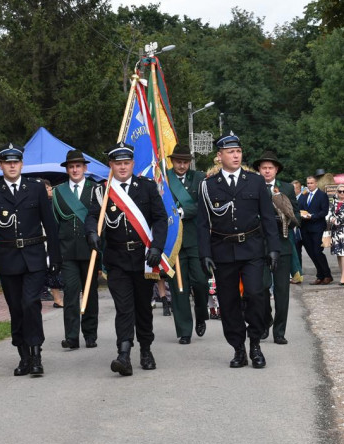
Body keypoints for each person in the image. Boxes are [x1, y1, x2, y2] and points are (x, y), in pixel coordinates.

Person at [197, 131, 281, 369]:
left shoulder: (254, 181)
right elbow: (202, 224)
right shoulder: (208, 185)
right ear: (219, 156)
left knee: (256, 295)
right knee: (229, 301)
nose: (236, 156)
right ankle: (238, 348)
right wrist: (205, 254)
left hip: (252, 248)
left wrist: (273, 248)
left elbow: (267, 218)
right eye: (230, 152)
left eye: (238, 151)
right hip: (222, 250)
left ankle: (255, 343)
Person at [0, 143, 61, 377]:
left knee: (30, 303)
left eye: (16, 162)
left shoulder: (35, 189)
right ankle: (23, 355)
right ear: (1, 165)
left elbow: (50, 225)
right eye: (7, 162)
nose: (12, 166)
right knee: (16, 308)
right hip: (8, 258)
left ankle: (36, 355)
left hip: (34, 257)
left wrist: (55, 256)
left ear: (22, 164)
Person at [94, 142, 168, 376]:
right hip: (117, 259)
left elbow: (160, 219)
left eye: (126, 163)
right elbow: (92, 217)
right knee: (124, 307)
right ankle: (123, 353)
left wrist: (157, 246)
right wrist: (90, 233)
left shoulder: (145, 187)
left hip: (143, 258)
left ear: (133, 164)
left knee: (143, 308)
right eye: (118, 163)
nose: (123, 167)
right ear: (111, 165)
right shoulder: (103, 191)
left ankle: (145, 349)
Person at [51, 149, 102, 350]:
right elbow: (55, 224)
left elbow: (100, 220)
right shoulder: (58, 192)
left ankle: (90, 334)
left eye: (78, 166)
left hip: (90, 250)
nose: (75, 170)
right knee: (71, 293)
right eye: (71, 166)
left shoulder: (96, 189)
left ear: (85, 168)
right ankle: (71, 336)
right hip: (67, 252)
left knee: (90, 294)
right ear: (67, 169)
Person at [253, 150, 299, 344]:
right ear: (259, 170)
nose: (267, 171)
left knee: (281, 291)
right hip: (259, 245)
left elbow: (296, 214)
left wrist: (287, 221)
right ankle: (265, 320)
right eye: (263, 168)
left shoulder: (286, 188)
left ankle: (279, 332)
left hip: (282, 244)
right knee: (260, 289)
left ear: (276, 170)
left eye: (270, 168)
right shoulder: (252, 186)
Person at [167, 144, 210, 345]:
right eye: (178, 161)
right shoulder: (164, 179)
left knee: (201, 282)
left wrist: (183, 212)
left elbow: (203, 205)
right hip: (173, 241)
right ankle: (184, 330)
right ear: (172, 161)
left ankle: (201, 315)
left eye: (185, 162)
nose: (182, 165)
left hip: (195, 239)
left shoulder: (199, 178)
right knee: (178, 288)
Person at [298, 173, 333, 284]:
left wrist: (312, 216)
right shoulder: (304, 195)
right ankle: (320, 276)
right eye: (308, 183)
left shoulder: (322, 195)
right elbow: (299, 208)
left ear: (316, 183)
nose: (309, 185)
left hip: (317, 227)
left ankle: (327, 275)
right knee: (311, 253)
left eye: (311, 183)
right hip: (305, 228)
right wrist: (301, 215)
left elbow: (324, 211)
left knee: (318, 252)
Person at [40, 179, 64, 308]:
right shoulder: (44, 205)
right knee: (51, 270)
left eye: (50, 188)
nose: (51, 191)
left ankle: (57, 298)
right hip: (46, 242)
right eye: (48, 189)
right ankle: (56, 299)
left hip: (55, 240)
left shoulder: (54, 203)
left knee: (53, 270)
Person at [290, 179, 305, 283]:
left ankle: (298, 273)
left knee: (296, 251)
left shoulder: (304, 197)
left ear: (299, 188)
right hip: (292, 229)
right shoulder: (288, 198)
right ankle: (296, 274)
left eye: (294, 188)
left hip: (302, 228)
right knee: (295, 251)